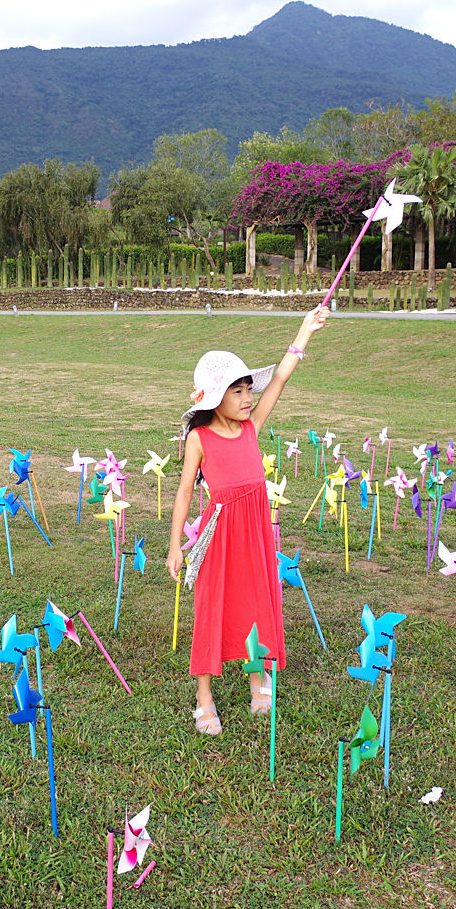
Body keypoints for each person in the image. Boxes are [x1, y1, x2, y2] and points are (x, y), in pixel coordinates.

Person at [165, 306, 329, 735]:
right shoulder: (199, 438)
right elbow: (185, 492)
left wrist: (304, 331)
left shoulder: (252, 427)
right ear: (216, 398)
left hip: (255, 531)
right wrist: (172, 548)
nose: (247, 397)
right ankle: (204, 696)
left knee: (255, 603)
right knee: (211, 609)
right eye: (237, 392)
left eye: (246, 389)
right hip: (219, 533)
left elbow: (280, 379)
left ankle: (259, 676)